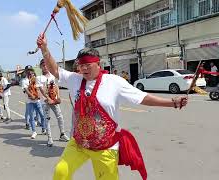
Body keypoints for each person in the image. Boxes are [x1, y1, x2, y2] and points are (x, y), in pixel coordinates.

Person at [37, 34, 188, 180]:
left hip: (105, 147)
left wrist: (171, 102)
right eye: (81, 66)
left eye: (88, 65)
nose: (84, 69)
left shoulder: (114, 82)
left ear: (98, 64)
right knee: (61, 172)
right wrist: (44, 48)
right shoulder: (74, 79)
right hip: (79, 143)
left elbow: (142, 97)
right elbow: (55, 69)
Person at [38, 59, 70, 147]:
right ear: (40, 66)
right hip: (45, 101)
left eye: (46, 65)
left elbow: (56, 87)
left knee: (60, 117)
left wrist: (58, 97)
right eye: (43, 65)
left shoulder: (52, 76)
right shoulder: (39, 78)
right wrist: (48, 98)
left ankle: (62, 134)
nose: (45, 67)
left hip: (54, 100)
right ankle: (49, 138)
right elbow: (42, 89)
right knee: (47, 119)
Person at [21, 65, 46, 139]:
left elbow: (40, 88)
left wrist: (39, 95)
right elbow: (26, 90)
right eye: (28, 70)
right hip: (29, 101)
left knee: (42, 115)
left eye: (30, 70)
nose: (29, 72)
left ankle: (43, 128)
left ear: (32, 71)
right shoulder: (24, 81)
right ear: (25, 72)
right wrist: (32, 96)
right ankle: (34, 132)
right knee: (31, 117)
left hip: (37, 100)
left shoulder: (36, 79)